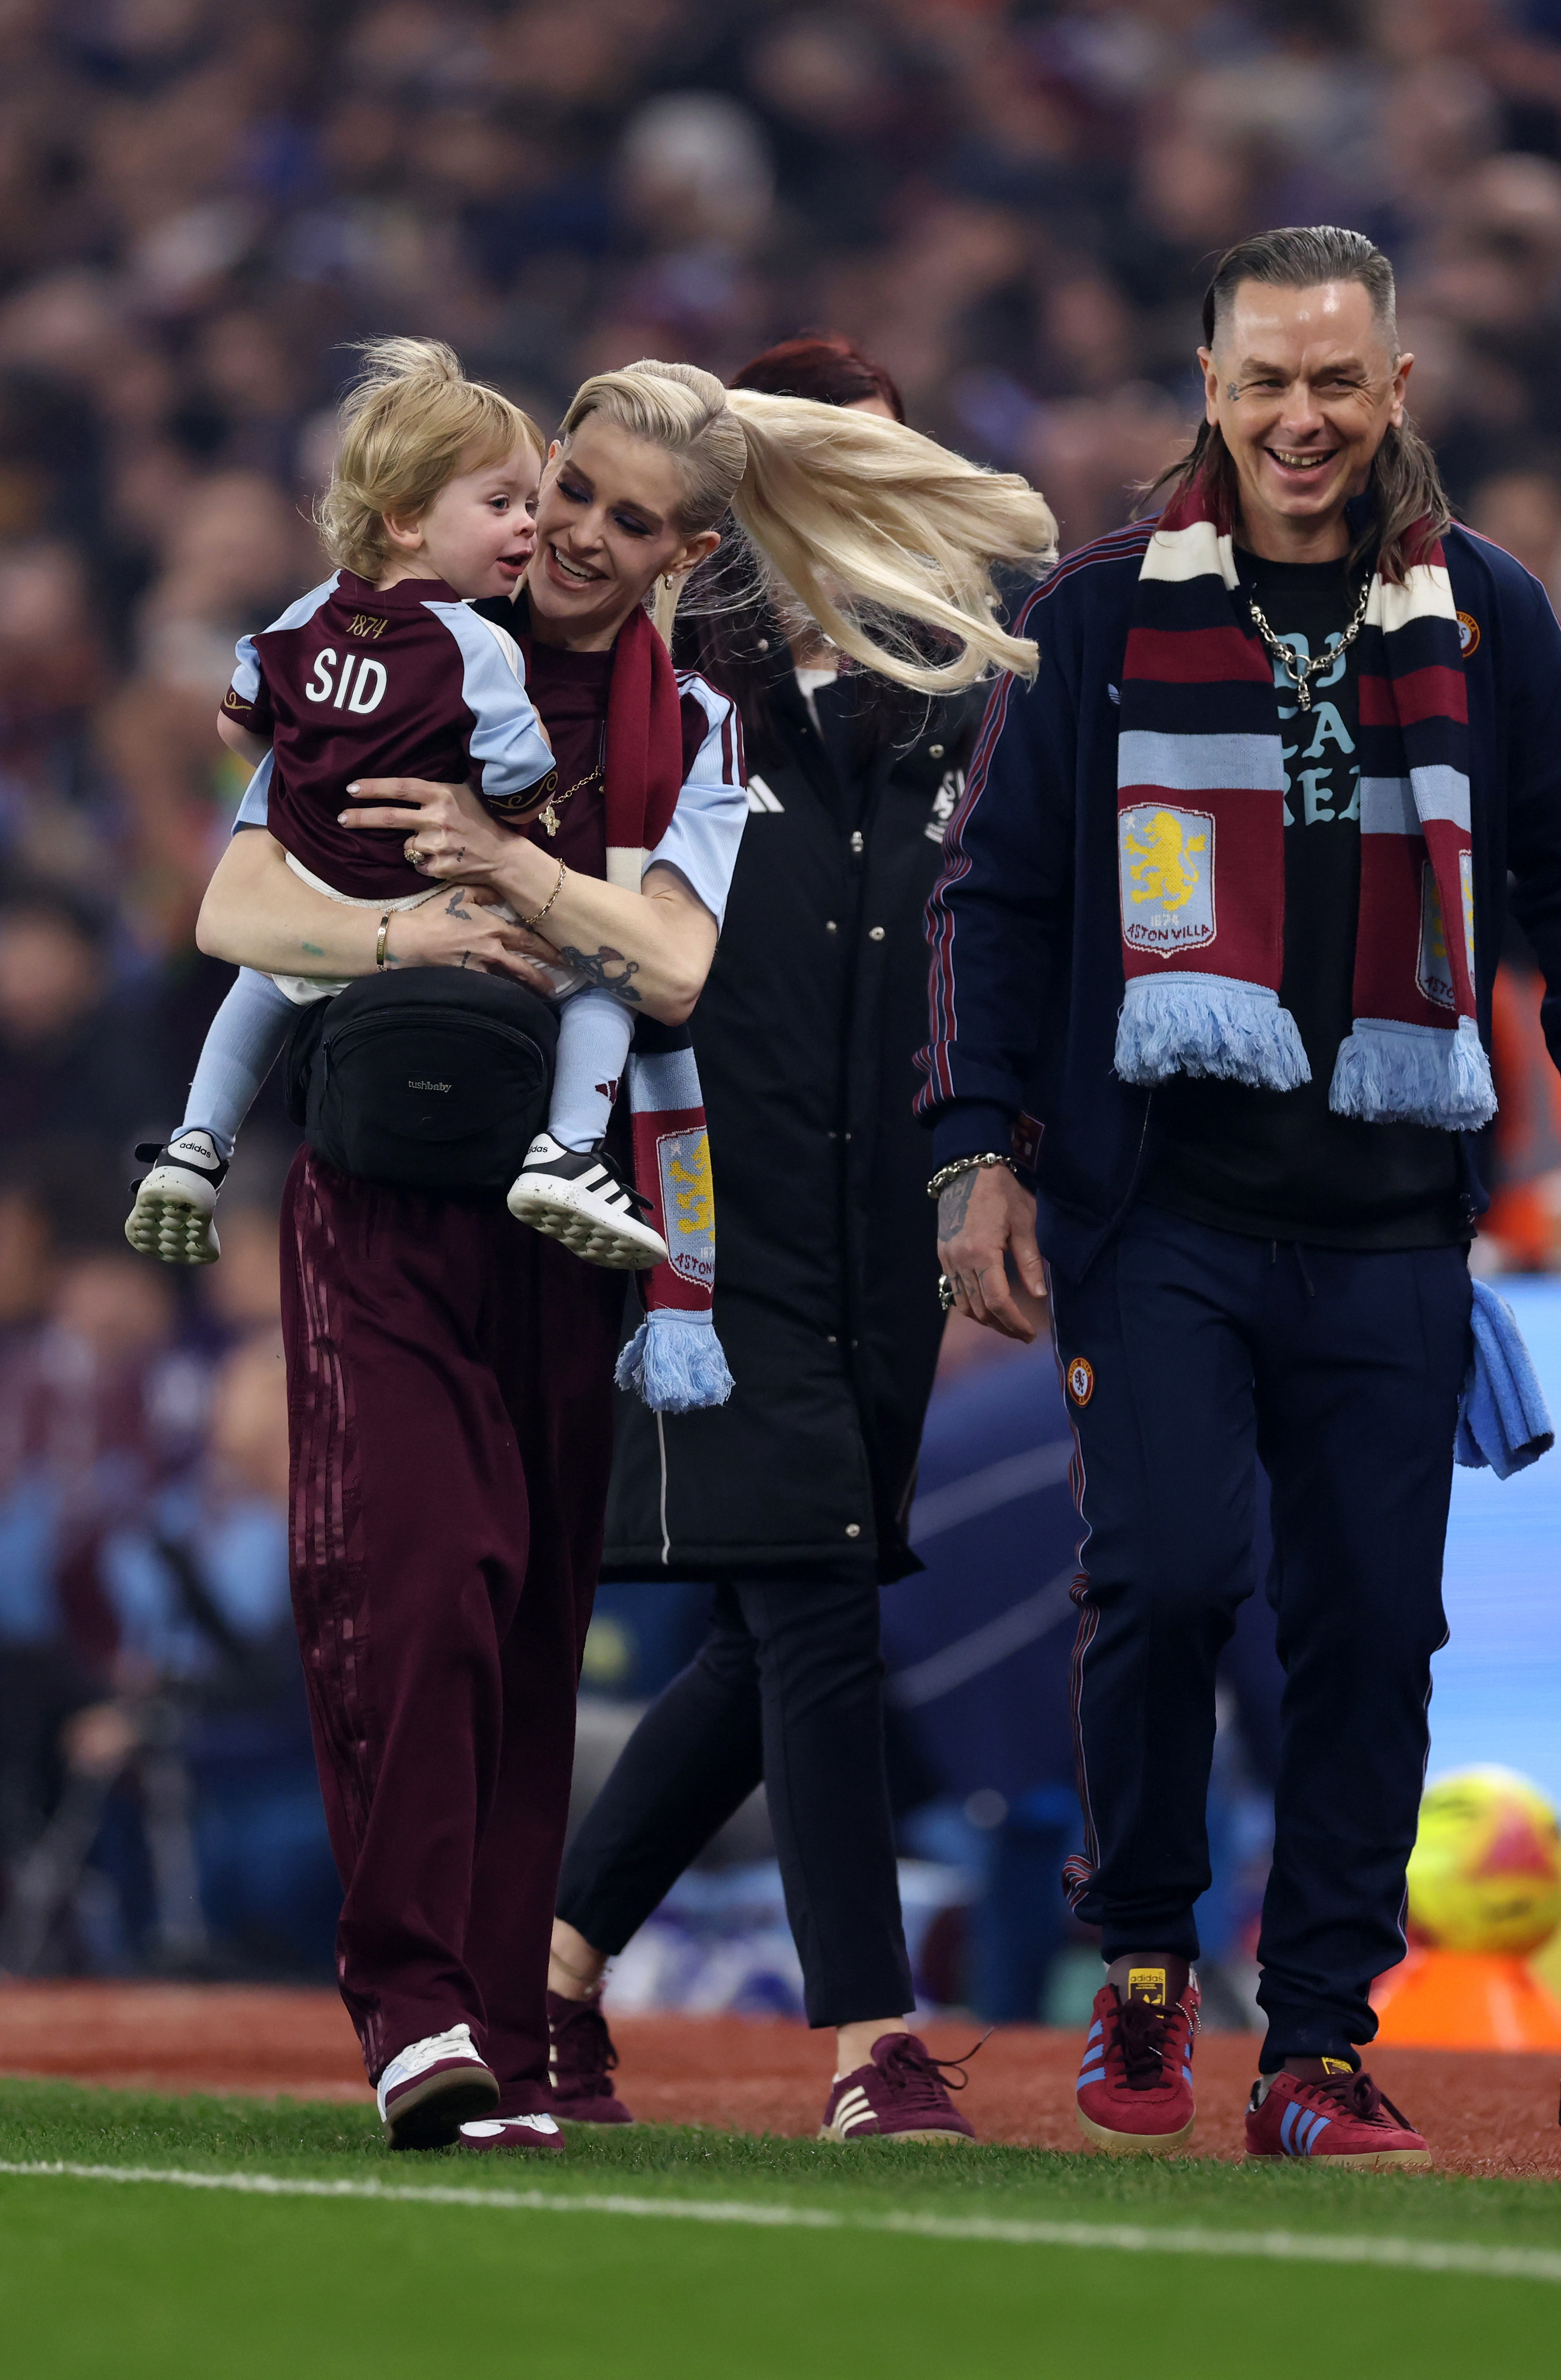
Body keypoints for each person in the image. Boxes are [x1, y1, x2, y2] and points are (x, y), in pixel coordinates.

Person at [192, 356, 1053, 2153]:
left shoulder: (716, 721)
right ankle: (455, 2005)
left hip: (606, 1225)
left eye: (623, 519)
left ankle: (523, 2003)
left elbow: (672, 967)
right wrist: (394, 923)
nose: (572, 532)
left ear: (684, 555)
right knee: (436, 1590)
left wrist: (499, 866)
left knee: (548, 1619)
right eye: (562, 490)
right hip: (422, 1187)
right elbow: (233, 899)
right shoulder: (408, 637)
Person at [920, 225, 1561, 2166]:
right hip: (1152, 1204)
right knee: (1163, 1579)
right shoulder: (1090, 616)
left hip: (1389, 1218)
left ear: (1395, 388)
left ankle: (1320, 2041)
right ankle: (1151, 1958)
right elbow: (992, 898)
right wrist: (967, 1147)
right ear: (1206, 385)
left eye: (1336, 379)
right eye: (1264, 379)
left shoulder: (1486, 612)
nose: (1300, 415)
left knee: (1366, 1625)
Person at [543, 336, 1046, 2144]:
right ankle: (868, 2041)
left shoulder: (961, 702)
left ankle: (554, 1973)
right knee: (819, 1594)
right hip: (707, 1190)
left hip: (881, 1205)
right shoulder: (681, 687)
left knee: (782, 1620)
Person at [126, 339, 668, 1277]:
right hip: (429, 902)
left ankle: (195, 1144)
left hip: (314, 897)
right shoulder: (474, 646)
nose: (530, 529)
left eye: (532, 506)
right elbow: (518, 783)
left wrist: (306, 779)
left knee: (260, 982)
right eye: (501, 505)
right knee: (604, 977)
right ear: (407, 521)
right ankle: (572, 1151)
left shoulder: (294, 621)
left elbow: (236, 727)